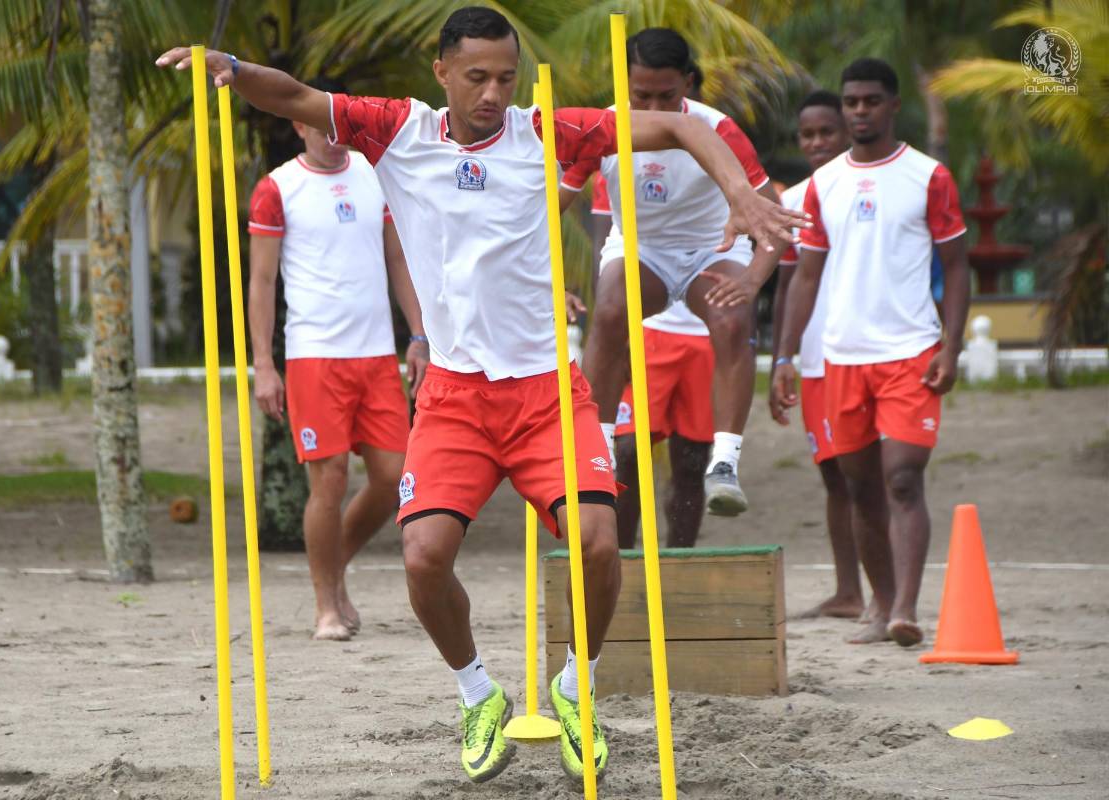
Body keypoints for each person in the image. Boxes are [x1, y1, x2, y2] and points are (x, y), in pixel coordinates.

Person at [158, 7, 803, 783]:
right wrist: (231, 68)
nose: (494, 93)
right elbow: (296, 96)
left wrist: (740, 190)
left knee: (599, 542)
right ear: (442, 74)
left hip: (545, 392)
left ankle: (577, 686)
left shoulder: (547, 131)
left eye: (505, 76)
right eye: (477, 78)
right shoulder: (400, 131)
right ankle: (477, 694)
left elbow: (679, 129)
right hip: (456, 397)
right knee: (424, 558)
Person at [773, 58, 969, 646]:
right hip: (840, 359)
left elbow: (958, 268)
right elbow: (804, 277)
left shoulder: (928, 176)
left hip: (911, 352)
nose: (860, 110)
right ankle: (881, 608)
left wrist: (951, 347)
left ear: (892, 105)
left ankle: (907, 608)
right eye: (852, 101)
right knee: (859, 489)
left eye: (870, 101)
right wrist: (784, 357)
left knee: (903, 479)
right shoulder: (821, 185)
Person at [561, 28, 784, 519]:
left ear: (688, 82)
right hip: (643, 251)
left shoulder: (717, 128)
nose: (656, 107)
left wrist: (751, 281)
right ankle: (595, 451)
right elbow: (547, 211)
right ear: (624, 85)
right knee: (612, 306)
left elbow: (774, 220)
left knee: (732, 318)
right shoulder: (602, 128)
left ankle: (724, 465)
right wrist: (552, 283)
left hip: (710, 249)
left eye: (668, 95)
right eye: (642, 96)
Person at [247, 78, 429, 642]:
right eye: (318, 125)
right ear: (298, 125)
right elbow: (262, 279)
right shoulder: (277, 188)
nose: (332, 136)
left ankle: (333, 563)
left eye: (337, 125)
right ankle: (326, 604)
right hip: (314, 356)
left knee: (394, 477)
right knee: (328, 480)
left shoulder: (374, 176)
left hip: (376, 354)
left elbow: (399, 258)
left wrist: (419, 335)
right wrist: (264, 364)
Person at [768, 90, 866, 619]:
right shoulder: (793, 201)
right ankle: (849, 592)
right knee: (833, 474)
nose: (817, 142)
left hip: (866, 352)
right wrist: (781, 359)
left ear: (847, 131)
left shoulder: (865, 189)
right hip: (812, 359)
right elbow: (785, 288)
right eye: (807, 135)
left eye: (826, 131)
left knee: (869, 473)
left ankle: (887, 595)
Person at [587, 173, 717, 549]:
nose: (655, 110)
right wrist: (614, 334)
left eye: (666, 106)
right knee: (625, 454)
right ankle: (622, 565)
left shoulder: (713, 149)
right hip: (644, 327)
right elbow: (603, 249)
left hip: (702, 329)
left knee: (692, 461)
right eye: (646, 106)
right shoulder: (615, 163)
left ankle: (679, 566)